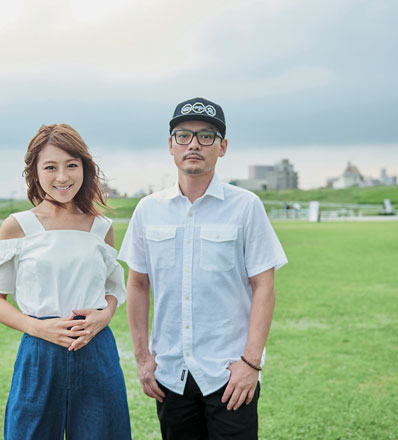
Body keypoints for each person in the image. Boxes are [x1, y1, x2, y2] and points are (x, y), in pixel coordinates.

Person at [119, 97, 288, 440]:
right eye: (183, 135)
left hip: (230, 375)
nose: (194, 144)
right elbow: (137, 285)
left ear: (222, 147)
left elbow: (264, 287)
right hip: (170, 374)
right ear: (171, 145)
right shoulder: (148, 209)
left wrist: (251, 363)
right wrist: (142, 358)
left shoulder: (246, 207)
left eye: (206, 136)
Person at [0, 123, 132, 440]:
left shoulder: (101, 227)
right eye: (50, 167)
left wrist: (105, 315)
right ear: (34, 172)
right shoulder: (18, 226)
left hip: (96, 349)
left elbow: (111, 289)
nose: (62, 177)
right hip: (39, 353)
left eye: (71, 165)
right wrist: (38, 328)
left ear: (84, 168)